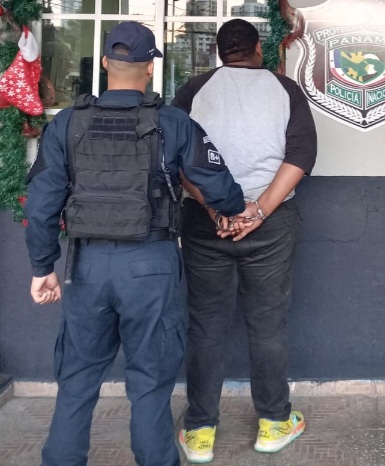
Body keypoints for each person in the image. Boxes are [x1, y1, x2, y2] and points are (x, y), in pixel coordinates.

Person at [24, 22, 247, 466]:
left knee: (76, 381)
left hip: (87, 266)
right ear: (149, 68)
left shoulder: (67, 122)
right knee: (150, 384)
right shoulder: (173, 123)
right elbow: (222, 191)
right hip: (151, 264)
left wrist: (42, 268)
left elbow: (43, 203)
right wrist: (235, 207)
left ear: (106, 62)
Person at [171, 18, 317, 463]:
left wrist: (217, 209)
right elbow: (301, 155)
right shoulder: (284, 89)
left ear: (219, 53)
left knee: (206, 326)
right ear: (258, 49)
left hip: (207, 224)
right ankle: (274, 423)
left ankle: (200, 431)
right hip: (270, 224)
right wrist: (258, 211)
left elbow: (176, 157)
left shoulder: (194, 90)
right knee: (267, 323)